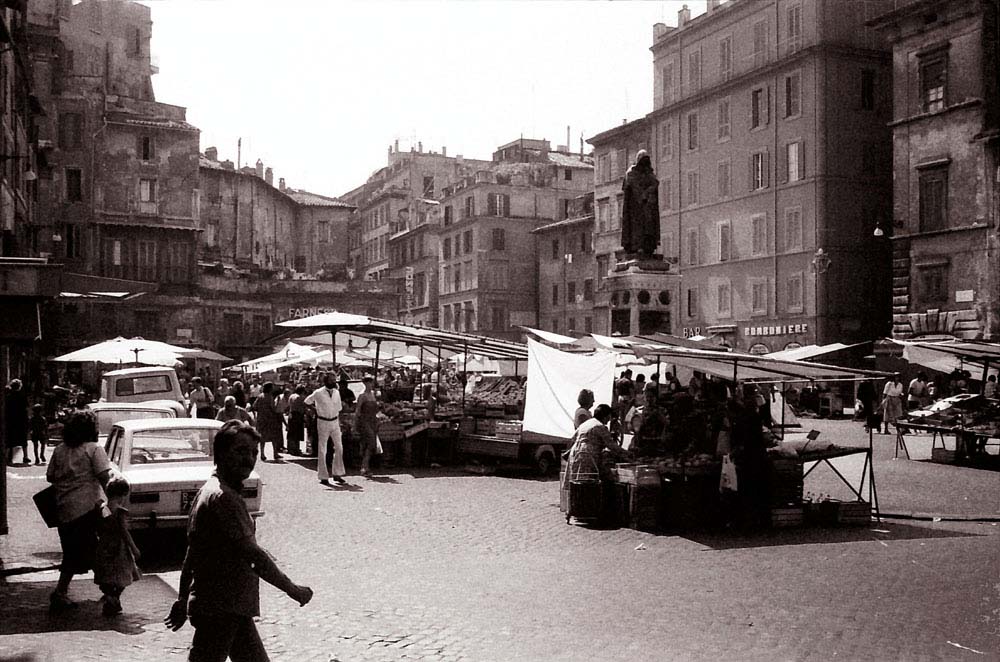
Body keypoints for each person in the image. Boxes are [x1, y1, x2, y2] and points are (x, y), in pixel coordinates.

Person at [164, 421, 313, 661]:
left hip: (231, 606)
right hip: (221, 607)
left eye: (254, 452)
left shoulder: (212, 490)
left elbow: (193, 552)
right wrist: (292, 589)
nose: (249, 458)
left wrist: (183, 598)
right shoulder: (223, 497)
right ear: (222, 453)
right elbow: (254, 556)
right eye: (241, 451)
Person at [45, 409, 113, 611]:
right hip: (87, 509)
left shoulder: (59, 450)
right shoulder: (93, 449)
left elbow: (50, 476)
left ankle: (61, 592)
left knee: (72, 553)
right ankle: (110, 594)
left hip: (63, 510)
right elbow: (105, 477)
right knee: (94, 552)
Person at [93, 476, 141, 617]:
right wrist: (134, 548)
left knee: (107, 575)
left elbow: (97, 528)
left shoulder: (101, 508)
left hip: (104, 546)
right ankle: (113, 598)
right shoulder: (120, 512)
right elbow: (124, 532)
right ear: (123, 494)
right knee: (123, 576)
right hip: (119, 548)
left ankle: (111, 600)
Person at [304, 373, 346, 486]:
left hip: (335, 421)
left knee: (339, 447)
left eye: (334, 380)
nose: (334, 382)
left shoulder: (337, 392)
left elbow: (339, 408)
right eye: (331, 380)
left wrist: (340, 422)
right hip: (323, 421)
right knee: (323, 449)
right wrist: (314, 411)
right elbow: (307, 402)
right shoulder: (318, 392)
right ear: (326, 381)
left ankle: (337, 473)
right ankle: (323, 476)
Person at [619, 150, 660, 257]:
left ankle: (648, 247)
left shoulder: (648, 173)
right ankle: (636, 247)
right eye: (643, 161)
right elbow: (633, 186)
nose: (645, 164)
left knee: (649, 227)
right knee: (637, 229)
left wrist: (647, 192)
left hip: (647, 206)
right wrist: (644, 194)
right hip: (635, 208)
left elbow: (655, 182)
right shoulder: (631, 173)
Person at [252, 382, 284, 462]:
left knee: (262, 437)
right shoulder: (270, 397)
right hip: (270, 419)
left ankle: (262, 453)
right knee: (273, 436)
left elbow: (254, 406)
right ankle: (275, 453)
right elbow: (273, 408)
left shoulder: (260, 396)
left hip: (261, 419)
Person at [354, 377, 380, 477]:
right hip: (365, 421)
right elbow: (358, 410)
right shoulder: (362, 395)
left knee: (370, 444)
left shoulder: (373, 394)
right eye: (368, 383)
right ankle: (365, 466)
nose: (370, 384)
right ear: (364, 383)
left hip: (373, 420)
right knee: (370, 442)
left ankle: (365, 465)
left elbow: (376, 409)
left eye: (371, 382)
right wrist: (356, 423)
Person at [5, 378, 29, 465]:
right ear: (20, 386)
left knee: (9, 440)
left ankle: (7, 457)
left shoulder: (8, 396)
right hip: (21, 420)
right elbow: (26, 409)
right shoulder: (22, 396)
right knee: (23, 439)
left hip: (11, 419)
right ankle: (25, 456)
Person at [286, 385, 307, 456]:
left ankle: (290, 448)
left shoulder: (291, 396)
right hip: (297, 415)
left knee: (291, 432)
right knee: (297, 433)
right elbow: (300, 408)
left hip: (291, 414)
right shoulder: (298, 397)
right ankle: (296, 449)